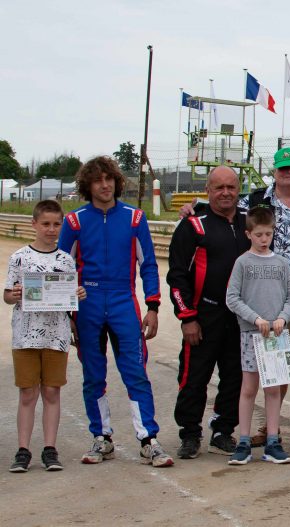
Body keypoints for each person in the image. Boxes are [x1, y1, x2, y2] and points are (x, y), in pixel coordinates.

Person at [58, 156, 172, 467]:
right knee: (93, 377)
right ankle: (102, 438)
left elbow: (149, 265)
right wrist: (67, 314)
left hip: (124, 302)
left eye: (109, 179)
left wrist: (152, 306)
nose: (105, 185)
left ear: (116, 182)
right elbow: (60, 269)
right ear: (88, 185)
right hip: (88, 305)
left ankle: (148, 439)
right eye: (98, 180)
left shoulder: (135, 218)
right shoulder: (74, 222)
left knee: (136, 373)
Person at [167, 166, 249, 459]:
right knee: (193, 377)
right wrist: (187, 317)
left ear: (239, 190)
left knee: (236, 376)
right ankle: (189, 434)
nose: (225, 193)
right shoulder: (193, 226)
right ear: (208, 191)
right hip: (204, 315)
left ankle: (223, 430)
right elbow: (176, 277)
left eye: (231, 187)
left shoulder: (249, 223)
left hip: (241, 317)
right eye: (219, 188)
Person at [6, 200, 86, 472]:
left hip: (57, 335)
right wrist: (13, 294)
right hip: (25, 335)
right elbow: (7, 294)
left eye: (56, 224)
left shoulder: (65, 259)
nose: (51, 230)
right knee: (28, 393)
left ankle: (50, 449)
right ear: (34, 225)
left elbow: (68, 297)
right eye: (45, 224)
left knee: (52, 391)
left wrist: (78, 295)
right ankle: (23, 449)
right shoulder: (19, 257)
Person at [224, 206, 290, 465]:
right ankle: (243, 440)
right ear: (249, 234)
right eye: (259, 234)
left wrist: (282, 318)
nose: (264, 239)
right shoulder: (242, 263)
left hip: (276, 337)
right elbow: (232, 298)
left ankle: (272, 441)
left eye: (268, 234)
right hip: (251, 335)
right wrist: (255, 319)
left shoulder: (281, 263)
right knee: (248, 388)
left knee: (273, 390)